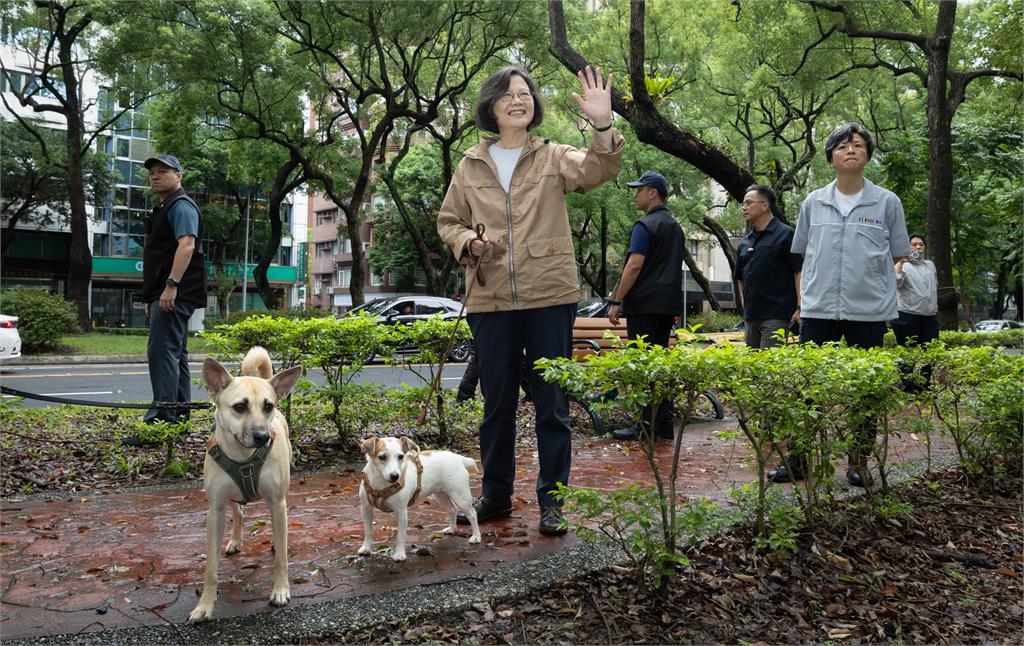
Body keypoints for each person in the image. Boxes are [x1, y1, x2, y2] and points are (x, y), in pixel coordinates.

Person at [437, 65, 624, 535]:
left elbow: (598, 168)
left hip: (549, 294)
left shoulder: (553, 155)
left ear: (533, 105)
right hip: (491, 296)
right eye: (507, 95)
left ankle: (552, 501)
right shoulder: (470, 163)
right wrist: (469, 244)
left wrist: (603, 124)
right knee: (496, 402)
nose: (518, 100)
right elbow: (448, 220)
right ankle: (496, 495)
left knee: (550, 402)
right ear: (491, 107)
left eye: (525, 93)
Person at [778, 122, 911, 487]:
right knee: (808, 387)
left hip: (868, 312)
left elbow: (900, 253)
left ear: (867, 155)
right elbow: (803, 254)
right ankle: (799, 459)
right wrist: (802, 302)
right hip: (819, 309)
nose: (851, 149)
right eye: (842, 145)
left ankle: (859, 462)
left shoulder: (886, 202)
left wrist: (877, 280)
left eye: (857, 145)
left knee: (865, 391)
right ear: (831, 157)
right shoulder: (813, 202)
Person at [127, 154, 206, 446]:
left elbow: (187, 245)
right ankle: (178, 419)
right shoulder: (165, 207)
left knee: (162, 354)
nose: (155, 176)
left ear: (179, 175)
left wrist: (171, 286)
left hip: (174, 292)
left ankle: (161, 423)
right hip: (168, 292)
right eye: (152, 173)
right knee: (175, 355)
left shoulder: (181, 205)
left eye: (163, 171)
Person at [606, 171, 685, 441]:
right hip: (667, 305)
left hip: (644, 304)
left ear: (652, 192)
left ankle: (643, 425)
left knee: (643, 365)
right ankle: (663, 424)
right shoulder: (674, 226)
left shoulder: (645, 225)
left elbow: (635, 264)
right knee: (660, 365)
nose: (635, 194)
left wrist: (616, 300)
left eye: (639, 189)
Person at [734, 184, 802, 349]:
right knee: (751, 368)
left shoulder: (786, 234)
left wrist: (800, 308)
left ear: (765, 205)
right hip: (751, 317)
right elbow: (739, 277)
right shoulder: (745, 242)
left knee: (768, 367)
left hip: (777, 315)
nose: (744, 208)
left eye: (749, 203)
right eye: (743, 204)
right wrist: (745, 308)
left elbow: (798, 272)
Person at [892, 234, 939, 346]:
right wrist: (900, 262)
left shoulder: (930, 265)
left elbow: (935, 286)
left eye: (921, 245)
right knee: (909, 352)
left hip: (930, 317)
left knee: (931, 352)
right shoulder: (901, 264)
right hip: (908, 315)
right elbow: (896, 283)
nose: (918, 247)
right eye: (914, 245)